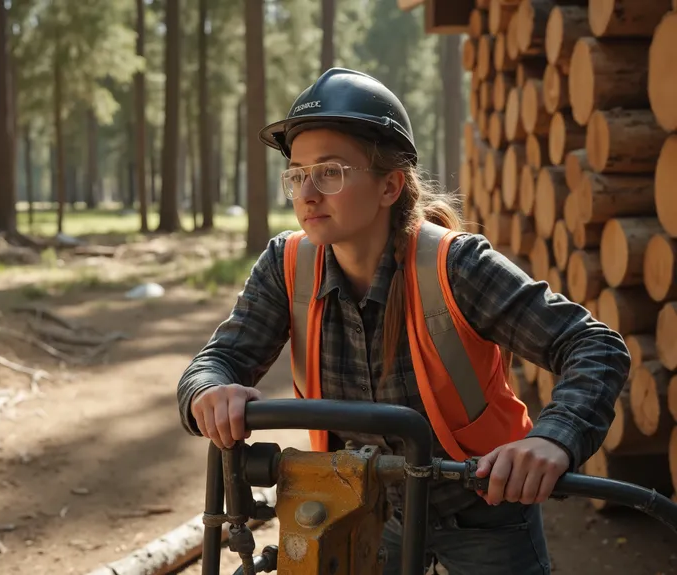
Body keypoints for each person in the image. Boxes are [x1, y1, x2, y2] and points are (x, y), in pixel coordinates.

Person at [177, 68, 630, 574]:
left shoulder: (456, 267)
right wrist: (208, 390)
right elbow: (218, 360)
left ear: (390, 185)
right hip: (359, 510)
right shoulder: (285, 267)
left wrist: (553, 439)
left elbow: (595, 346)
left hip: (484, 511)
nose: (307, 193)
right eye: (298, 174)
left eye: (330, 172)